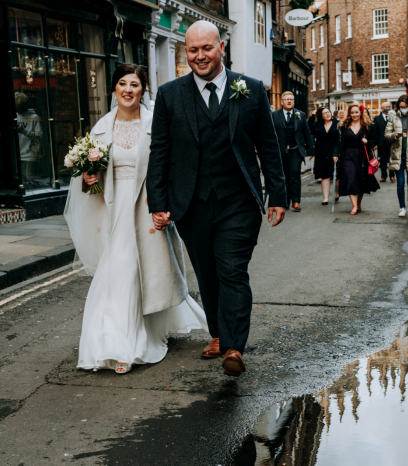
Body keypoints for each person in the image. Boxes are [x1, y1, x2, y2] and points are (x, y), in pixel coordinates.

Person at [147, 21, 287, 377]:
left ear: (221, 47)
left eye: (206, 49)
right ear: (185, 51)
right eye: (192, 50)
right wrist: (157, 202)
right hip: (191, 202)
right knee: (207, 274)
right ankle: (218, 332)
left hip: (238, 201)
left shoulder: (251, 91)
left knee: (232, 270)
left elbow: (269, 148)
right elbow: (160, 152)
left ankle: (235, 347)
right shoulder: (169, 95)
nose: (199, 56)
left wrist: (278, 195)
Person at [64, 64, 208, 374]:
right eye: (122, 84)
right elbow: (91, 177)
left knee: (142, 270)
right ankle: (112, 344)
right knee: (118, 272)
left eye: (134, 84)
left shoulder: (157, 123)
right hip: (114, 211)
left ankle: (132, 343)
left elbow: (173, 166)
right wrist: (88, 178)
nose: (128, 89)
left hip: (146, 205)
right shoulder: (101, 128)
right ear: (113, 90)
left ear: (143, 90)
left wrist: (167, 207)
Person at [272, 91, 314, 212]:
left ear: (294, 101)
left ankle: (296, 201)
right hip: (281, 152)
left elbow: (307, 133)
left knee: (295, 176)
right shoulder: (274, 115)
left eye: (291, 99)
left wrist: (310, 150)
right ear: (282, 102)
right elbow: (270, 134)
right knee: (284, 177)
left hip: (296, 151)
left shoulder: (300, 114)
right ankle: (285, 201)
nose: (289, 101)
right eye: (286, 99)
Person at [335, 103, 380, 215]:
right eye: (352, 112)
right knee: (350, 178)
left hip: (362, 157)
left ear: (360, 113)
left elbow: (376, 140)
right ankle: (354, 206)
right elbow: (338, 142)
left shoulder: (368, 126)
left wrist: (368, 142)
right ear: (349, 113)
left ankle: (359, 203)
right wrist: (335, 154)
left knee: (361, 181)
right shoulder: (343, 126)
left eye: (356, 112)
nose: (354, 114)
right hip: (347, 156)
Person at [310, 106, 340, 204]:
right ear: (321, 116)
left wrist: (337, 152)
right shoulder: (318, 125)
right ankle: (325, 198)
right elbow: (308, 128)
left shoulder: (337, 123)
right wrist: (312, 115)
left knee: (336, 175)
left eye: (328, 112)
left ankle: (336, 193)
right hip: (321, 152)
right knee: (324, 175)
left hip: (334, 151)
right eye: (324, 113)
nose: (327, 114)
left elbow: (340, 139)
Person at [374, 101, 395, 183]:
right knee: (383, 161)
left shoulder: (393, 117)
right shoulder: (377, 119)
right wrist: (376, 143)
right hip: (382, 143)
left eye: (389, 106)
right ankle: (383, 176)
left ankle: (392, 176)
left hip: (392, 142)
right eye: (386, 106)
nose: (388, 108)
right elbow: (375, 131)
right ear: (382, 108)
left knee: (391, 160)